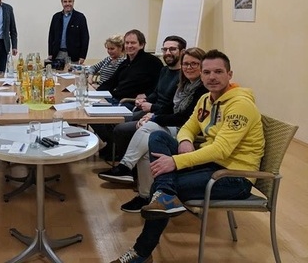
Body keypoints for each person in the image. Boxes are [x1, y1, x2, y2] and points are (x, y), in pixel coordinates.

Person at [110, 50, 264, 263]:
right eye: (207, 72)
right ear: (201, 75)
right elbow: (188, 127)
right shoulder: (206, 99)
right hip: (211, 165)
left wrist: (175, 161)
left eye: (218, 72)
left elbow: (222, 150)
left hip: (234, 177)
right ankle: (164, 195)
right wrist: (185, 141)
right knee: (157, 136)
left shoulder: (241, 105)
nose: (212, 77)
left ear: (230, 74)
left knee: (159, 190)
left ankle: (141, 253)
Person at [99, 48, 208, 214]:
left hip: (189, 135)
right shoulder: (184, 85)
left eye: (194, 64)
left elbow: (183, 118)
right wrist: (153, 115)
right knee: (146, 146)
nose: (189, 67)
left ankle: (126, 166)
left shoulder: (202, 89)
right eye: (186, 64)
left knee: (148, 127)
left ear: (202, 66)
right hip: (175, 127)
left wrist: (154, 119)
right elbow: (168, 108)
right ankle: (145, 195)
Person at [95, 35, 186, 157]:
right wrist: (145, 100)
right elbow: (156, 93)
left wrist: (152, 108)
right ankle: (115, 149)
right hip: (148, 109)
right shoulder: (164, 70)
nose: (168, 52)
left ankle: (121, 157)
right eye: (165, 49)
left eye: (172, 49)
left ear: (182, 52)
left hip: (161, 115)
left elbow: (173, 106)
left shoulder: (182, 76)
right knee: (104, 117)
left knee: (120, 127)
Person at [97, 29, 163, 104]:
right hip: (115, 99)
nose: (129, 46)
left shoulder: (153, 62)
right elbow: (111, 82)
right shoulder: (125, 63)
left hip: (130, 102)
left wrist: (147, 94)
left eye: (133, 43)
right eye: (127, 43)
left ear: (142, 45)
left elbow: (161, 85)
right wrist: (95, 92)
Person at [47, 0, 90, 65]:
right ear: (62, 3)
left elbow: (85, 38)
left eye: (70, 1)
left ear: (73, 2)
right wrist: (50, 53)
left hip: (74, 56)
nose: (67, 4)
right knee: (56, 72)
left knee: (73, 73)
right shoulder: (56, 17)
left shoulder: (80, 17)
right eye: (65, 1)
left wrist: (83, 56)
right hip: (57, 54)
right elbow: (51, 36)